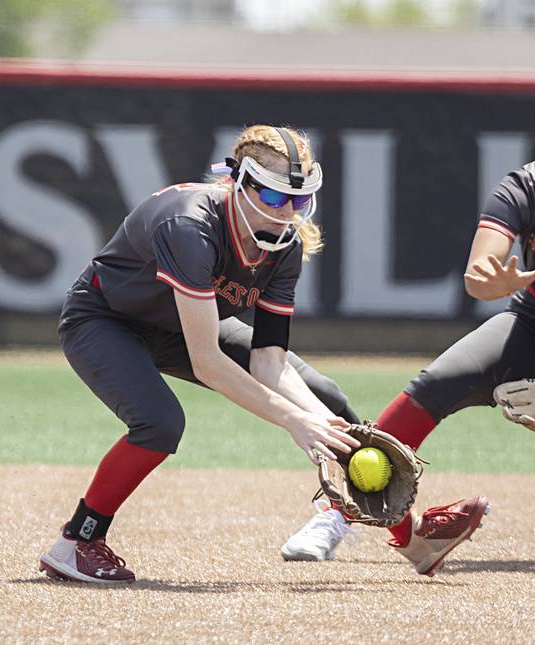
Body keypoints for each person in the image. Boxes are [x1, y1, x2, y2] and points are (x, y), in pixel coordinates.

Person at [282, 80, 535, 574]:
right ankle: (335, 515)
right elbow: (479, 275)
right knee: (434, 383)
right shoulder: (523, 187)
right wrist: (491, 282)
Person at [39, 125, 362, 584]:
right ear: (237, 182)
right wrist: (292, 420)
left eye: (301, 201)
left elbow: (269, 360)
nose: (288, 213)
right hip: (105, 318)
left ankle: (406, 532)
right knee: (159, 423)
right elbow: (209, 362)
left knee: (323, 396)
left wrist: (317, 419)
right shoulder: (189, 225)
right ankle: (77, 542)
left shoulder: (285, 245)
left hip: (178, 325)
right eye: (273, 198)